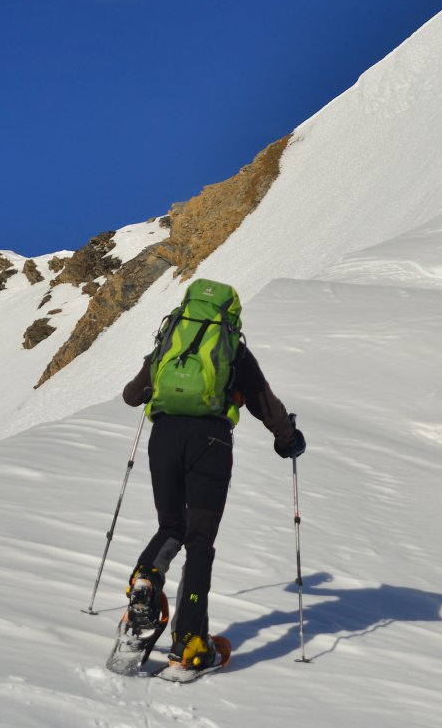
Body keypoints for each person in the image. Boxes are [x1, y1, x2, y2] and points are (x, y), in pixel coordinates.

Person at [120, 280, 305, 670]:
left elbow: (132, 395)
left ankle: (146, 581)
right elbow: (264, 404)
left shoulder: (170, 339)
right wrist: (287, 439)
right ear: (229, 314)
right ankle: (189, 641)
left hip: (164, 438)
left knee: (171, 525)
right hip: (211, 443)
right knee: (199, 539)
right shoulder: (233, 348)